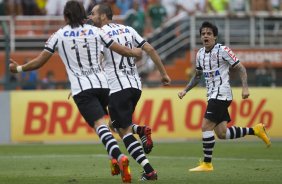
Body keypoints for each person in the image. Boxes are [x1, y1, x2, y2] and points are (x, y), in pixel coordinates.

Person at [9, 1, 142, 183]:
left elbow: (40, 61)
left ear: (66, 16)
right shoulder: (96, 31)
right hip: (104, 85)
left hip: (83, 88)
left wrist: (18, 69)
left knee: (99, 126)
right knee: (106, 123)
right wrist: (135, 52)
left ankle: (119, 158)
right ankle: (113, 159)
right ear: (83, 14)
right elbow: (120, 49)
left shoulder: (59, 35)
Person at [89, 3, 171, 180]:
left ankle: (149, 170)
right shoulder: (128, 29)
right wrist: (163, 74)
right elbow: (150, 49)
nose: (90, 16)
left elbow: (95, 62)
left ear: (103, 16)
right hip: (135, 86)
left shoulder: (100, 34)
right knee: (115, 125)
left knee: (123, 132)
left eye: (93, 14)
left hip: (118, 87)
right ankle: (140, 130)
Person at [178, 21, 271, 172]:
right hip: (212, 95)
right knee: (222, 133)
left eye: (209, 33)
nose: (206, 36)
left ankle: (207, 164)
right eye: (203, 34)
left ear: (215, 36)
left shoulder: (223, 50)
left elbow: (241, 68)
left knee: (205, 126)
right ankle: (256, 130)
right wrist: (185, 90)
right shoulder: (200, 54)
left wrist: (245, 88)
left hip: (222, 93)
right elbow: (197, 76)